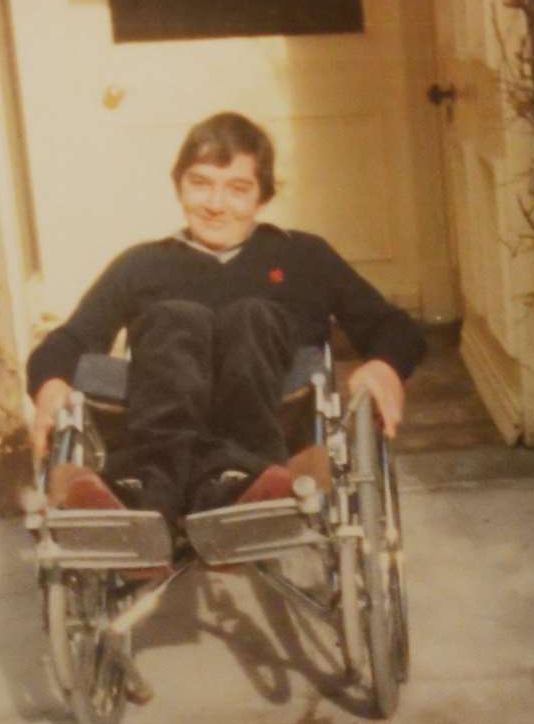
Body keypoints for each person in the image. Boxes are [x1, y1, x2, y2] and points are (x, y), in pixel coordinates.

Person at [27, 111, 424, 532]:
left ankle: (237, 482)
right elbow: (70, 340)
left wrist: (385, 366)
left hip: (269, 432)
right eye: (200, 184)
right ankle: (149, 498)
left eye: (238, 189)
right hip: (162, 432)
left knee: (251, 316)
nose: (215, 205)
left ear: (262, 198)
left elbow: (393, 327)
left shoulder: (302, 257)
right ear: (179, 186)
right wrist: (50, 387)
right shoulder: (143, 265)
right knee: (175, 319)